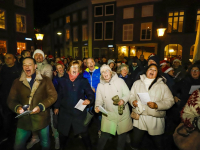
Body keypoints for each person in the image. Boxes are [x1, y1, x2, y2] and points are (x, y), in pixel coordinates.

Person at [7, 57, 57, 150]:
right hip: (24, 120)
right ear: (22, 67)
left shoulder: (45, 80)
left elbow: (53, 96)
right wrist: (17, 108)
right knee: (18, 146)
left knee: (45, 144)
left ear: (35, 66)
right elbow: (11, 100)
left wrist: (41, 106)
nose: (27, 67)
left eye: (29, 64)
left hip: (41, 118)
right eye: (24, 64)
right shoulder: (17, 82)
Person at [129, 64, 174, 150]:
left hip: (155, 119)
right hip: (139, 117)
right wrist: (133, 101)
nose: (152, 71)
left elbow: (170, 101)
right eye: (150, 69)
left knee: (159, 143)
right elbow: (131, 96)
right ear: (146, 71)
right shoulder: (137, 83)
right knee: (135, 142)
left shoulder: (162, 86)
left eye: (155, 70)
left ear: (157, 73)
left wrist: (157, 105)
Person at [55, 60, 95, 150]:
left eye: (77, 67)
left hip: (78, 112)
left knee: (84, 133)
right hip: (65, 112)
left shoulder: (83, 81)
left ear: (79, 70)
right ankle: (62, 147)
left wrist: (89, 99)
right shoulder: (62, 81)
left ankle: (89, 148)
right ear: (69, 68)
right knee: (63, 133)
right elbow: (59, 95)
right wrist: (56, 107)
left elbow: (90, 93)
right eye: (73, 66)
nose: (75, 69)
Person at [95, 64, 133, 150]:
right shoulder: (100, 86)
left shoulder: (120, 81)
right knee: (104, 135)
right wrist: (97, 106)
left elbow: (127, 93)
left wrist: (123, 100)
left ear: (111, 72)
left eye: (107, 70)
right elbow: (99, 100)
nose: (105, 73)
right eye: (103, 72)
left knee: (122, 135)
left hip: (122, 114)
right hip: (108, 115)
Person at [27, 49, 53, 149]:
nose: (38, 57)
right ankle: (34, 137)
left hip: (43, 98)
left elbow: (46, 82)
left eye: (40, 55)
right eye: (36, 55)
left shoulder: (47, 66)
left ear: (43, 57)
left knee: (43, 119)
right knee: (31, 118)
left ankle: (45, 141)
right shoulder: (29, 66)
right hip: (30, 98)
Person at [0, 53, 22, 144]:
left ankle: (20, 136)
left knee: (19, 117)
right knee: (6, 117)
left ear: (14, 60)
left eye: (9, 58)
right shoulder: (3, 69)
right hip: (5, 97)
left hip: (17, 98)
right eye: (5, 58)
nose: (7, 59)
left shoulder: (19, 69)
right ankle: (6, 135)